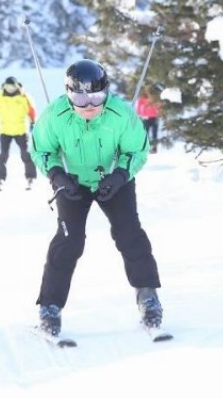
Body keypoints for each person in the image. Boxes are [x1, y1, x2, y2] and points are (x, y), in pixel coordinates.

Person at [29, 59, 163, 336]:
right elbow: (41, 149)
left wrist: (120, 176)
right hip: (71, 182)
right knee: (69, 240)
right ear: (68, 94)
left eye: (97, 96)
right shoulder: (55, 115)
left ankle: (148, 296)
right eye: (79, 97)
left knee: (129, 233)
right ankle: (49, 306)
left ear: (107, 92)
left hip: (113, 179)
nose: (89, 104)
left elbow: (137, 150)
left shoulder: (120, 115)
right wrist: (56, 175)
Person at [0, 76, 37, 190]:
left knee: (25, 154)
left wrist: (32, 122)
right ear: (5, 86)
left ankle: (30, 177)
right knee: (3, 155)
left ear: (16, 86)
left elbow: (31, 110)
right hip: (5, 130)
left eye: (12, 87)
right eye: (8, 87)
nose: (10, 89)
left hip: (20, 130)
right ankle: (0, 179)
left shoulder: (23, 96)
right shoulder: (0, 96)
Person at [136, 86, 162, 153]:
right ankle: (146, 148)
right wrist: (139, 114)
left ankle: (154, 148)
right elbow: (139, 106)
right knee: (146, 133)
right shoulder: (143, 97)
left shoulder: (156, 97)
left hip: (154, 117)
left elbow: (160, 106)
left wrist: (159, 113)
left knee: (153, 133)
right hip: (146, 118)